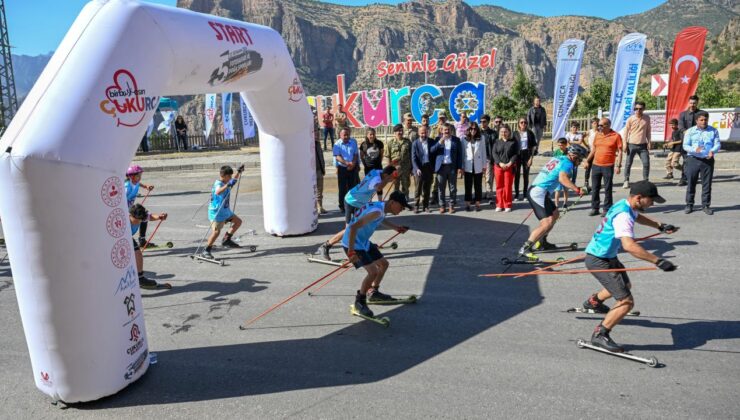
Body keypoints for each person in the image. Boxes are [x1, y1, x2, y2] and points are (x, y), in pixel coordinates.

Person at [582, 181, 678, 352]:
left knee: (625, 286)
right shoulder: (623, 216)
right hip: (599, 259)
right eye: (651, 200)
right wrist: (658, 261)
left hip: (606, 255)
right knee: (626, 301)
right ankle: (600, 334)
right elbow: (629, 246)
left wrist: (659, 225)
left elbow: (638, 216)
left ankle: (593, 302)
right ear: (639, 198)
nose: (653, 203)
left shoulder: (625, 205)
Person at [343, 191, 411, 317]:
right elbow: (353, 228)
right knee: (372, 272)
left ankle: (373, 292)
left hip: (362, 242)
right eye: (401, 206)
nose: (402, 210)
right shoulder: (377, 211)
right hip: (352, 243)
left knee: (384, 264)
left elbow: (380, 219)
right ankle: (360, 302)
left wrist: (396, 228)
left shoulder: (380, 207)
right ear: (392, 202)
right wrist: (351, 252)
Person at [317, 165, 398, 260]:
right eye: (390, 179)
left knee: (362, 225)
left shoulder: (378, 171)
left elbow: (386, 170)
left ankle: (361, 246)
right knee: (349, 230)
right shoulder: (376, 180)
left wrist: (393, 171)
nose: (391, 181)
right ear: (385, 175)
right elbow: (379, 188)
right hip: (352, 202)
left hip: (360, 203)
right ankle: (326, 246)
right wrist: (388, 178)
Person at [519, 144, 588, 255]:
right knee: (547, 223)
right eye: (580, 158)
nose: (580, 161)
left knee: (555, 214)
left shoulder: (559, 157)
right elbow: (562, 178)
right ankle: (526, 248)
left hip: (540, 191)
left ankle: (542, 242)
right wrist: (578, 190)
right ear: (573, 156)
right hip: (538, 192)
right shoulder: (568, 163)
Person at [202, 165, 245, 260]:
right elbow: (218, 192)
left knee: (238, 222)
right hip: (216, 212)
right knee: (216, 232)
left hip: (225, 211)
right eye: (229, 176)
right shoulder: (219, 184)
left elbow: (233, 180)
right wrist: (228, 184)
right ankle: (206, 250)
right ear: (224, 176)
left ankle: (227, 239)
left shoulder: (226, 182)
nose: (230, 178)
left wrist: (239, 172)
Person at [683, 111, 720, 215]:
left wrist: (712, 151)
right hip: (693, 159)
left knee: (707, 184)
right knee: (691, 183)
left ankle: (706, 205)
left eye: (705, 120)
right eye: (701, 120)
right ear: (696, 121)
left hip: (707, 160)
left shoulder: (713, 131)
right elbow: (685, 145)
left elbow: (717, 144)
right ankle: (689, 204)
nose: (704, 122)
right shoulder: (690, 131)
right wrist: (695, 149)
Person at [584, 118, 623, 217]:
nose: (599, 127)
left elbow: (620, 152)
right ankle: (595, 208)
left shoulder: (616, 136)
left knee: (607, 188)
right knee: (595, 187)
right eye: (599, 125)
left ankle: (607, 209)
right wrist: (587, 160)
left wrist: (618, 165)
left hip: (608, 166)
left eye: (601, 125)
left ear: (608, 125)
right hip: (596, 165)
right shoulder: (597, 135)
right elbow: (594, 150)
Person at [129, 204, 169, 289]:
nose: (139, 222)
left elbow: (150, 216)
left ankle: (140, 278)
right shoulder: (124, 220)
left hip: (128, 237)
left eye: (140, 220)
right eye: (137, 220)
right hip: (120, 237)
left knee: (138, 253)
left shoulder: (139, 217)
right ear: (130, 215)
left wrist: (159, 217)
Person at [431, 124, 463, 214]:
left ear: (451, 130)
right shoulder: (438, 139)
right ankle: (442, 206)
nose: (446, 131)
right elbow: (432, 151)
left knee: (453, 188)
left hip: (452, 167)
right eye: (445, 130)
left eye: (448, 129)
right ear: (442, 130)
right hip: (441, 167)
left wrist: (460, 167)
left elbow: (460, 155)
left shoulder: (456, 140)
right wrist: (439, 143)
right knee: (441, 188)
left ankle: (451, 205)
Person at [622, 101, 651, 188]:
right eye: (636, 109)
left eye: (640, 109)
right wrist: (624, 144)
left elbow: (648, 131)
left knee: (646, 163)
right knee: (628, 163)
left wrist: (649, 142)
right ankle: (626, 180)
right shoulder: (630, 119)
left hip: (643, 145)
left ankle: (645, 181)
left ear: (644, 109)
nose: (638, 110)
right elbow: (625, 132)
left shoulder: (647, 118)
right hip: (631, 144)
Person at [125, 165, 155, 248]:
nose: (140, 177)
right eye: (138, 176)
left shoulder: (135, 182)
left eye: (140, 175)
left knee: (143, 215)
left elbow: (139, 184)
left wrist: (146, 186)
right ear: (131, 176)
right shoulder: (127, 187)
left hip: (130, 207)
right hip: (125, 209)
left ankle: (142, 240)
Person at [677, 95, 704, 187]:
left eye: (694, 103)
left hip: (698, 142)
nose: (692, 105)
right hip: (686, 142)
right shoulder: (683, 114)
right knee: (686, 160)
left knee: (697, 160)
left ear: (697, 103)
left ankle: (694, 178)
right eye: (691, 103)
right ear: (688, 103)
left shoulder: (701, 113)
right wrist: (688, 134)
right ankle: (683, 178)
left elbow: (704, 125)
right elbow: (680, 127)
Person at [491, 124, 519, 212]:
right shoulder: (496, 141)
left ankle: (507, 204)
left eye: (505, 131)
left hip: (509, 167)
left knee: (507, 186)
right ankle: (499, 204)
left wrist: (510, 163)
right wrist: (500, 163)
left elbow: (515, 154)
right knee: (499, 186)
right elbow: (494, 153)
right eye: (502, 132)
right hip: (498, 166)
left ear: (509, 132)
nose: (504, 133)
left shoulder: (513, 142)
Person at [333, 127, 360, 214]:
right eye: (344, 135)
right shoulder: (337, 144)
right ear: (340, 135)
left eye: (347, 134)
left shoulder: (353, 142)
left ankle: (353, 206)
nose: (346, 136)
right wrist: (347, 163)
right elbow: (337, 156)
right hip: (342, 168)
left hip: (353, 167)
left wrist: (354, 163)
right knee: (342, 188)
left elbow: (356, 154)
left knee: (353, 188)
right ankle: (342, 206)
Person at [462, 122, 488, 211]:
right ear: (468, 130)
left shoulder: (481, 138)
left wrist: (484, 166)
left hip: (478, 164)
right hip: (468, 165)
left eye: (475, 129)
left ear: (477, 130)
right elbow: (462, 154)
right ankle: (468, 204)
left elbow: (484, 152)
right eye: (471, 129)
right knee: (468, 185)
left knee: (478, 185)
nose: (473, 131)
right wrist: (462, 166)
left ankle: (477, 204)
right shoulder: (464, 139)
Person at [412, 125, 436, 213]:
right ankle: (416, 206)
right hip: (419, 169)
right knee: (418, 188)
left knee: (427, 188)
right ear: (419, 133)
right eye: (422, 133)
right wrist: (417, 168)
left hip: (428, 168)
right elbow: (413, 158)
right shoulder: (415, 143)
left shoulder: (431, 142)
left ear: (428, 133)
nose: (423, 134)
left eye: (425, 132)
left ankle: (425, 206)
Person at [513, 117, 538, 201]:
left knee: (526, 175)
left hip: (527, 155)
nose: (523, 124)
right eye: (521, 122)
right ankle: (516, 194)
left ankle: (525, 194)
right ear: (518, 124)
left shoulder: (530, 133)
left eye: (525, 122)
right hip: (517, 155)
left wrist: (531, 158)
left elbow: (534, 146)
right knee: (516, 175)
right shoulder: (515, 133)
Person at [386, 124, 413, 200]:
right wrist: (390, 169)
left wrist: (411, 168)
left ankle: (405, 199)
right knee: (396, 185)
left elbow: (411, 155)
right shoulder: (390, 143)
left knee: (406, 185)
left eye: (401, 130)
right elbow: (388, 156)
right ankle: (396, 200)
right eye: (398, 131)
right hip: (395, 169)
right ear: (394, 132)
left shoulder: (408, 142)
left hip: (406, 168)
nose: (400, 132)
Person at [480, 114, 497, 200]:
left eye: (484, 122)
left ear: (488, 122)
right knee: (481, 177)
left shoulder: (493, 133)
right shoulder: (478, 133)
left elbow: (495, 146)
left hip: (488, 157)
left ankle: (489, 193)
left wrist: (493, 158)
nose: (482, 123)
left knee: (488, 177)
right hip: (479, 158)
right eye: (481, 122)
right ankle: (484, 192)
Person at [314, 116, 327, 214]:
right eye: (315, 132)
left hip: (319, 170)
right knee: (313, 191)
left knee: (320, 190)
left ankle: (320, 206)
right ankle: (314, 208)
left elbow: (321, 157)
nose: (317, 134)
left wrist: (323, 168)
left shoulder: (318, 144)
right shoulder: (308, 144)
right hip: (311, 171)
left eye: (318, 131)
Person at [552, 138, 569, 208]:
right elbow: (553, 162)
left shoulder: (569, 151)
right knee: (557, 190)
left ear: (565, 145)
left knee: (565, 189)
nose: (560, 147)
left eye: (561, 145)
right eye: (559, 145)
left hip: (566, 173)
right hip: (558, 173)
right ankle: (556, 204)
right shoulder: (556, 152)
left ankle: (565, 203)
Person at [584, 117, 600, 189]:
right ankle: (586, 182)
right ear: (591, 124)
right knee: (588, 167)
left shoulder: (600, 131)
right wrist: (586, 145)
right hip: (590, 151)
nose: (596, 125)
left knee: (596, 168)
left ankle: (596, 183)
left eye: (597, 123)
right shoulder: (589, 131)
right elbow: (582, 137)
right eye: (594, 123)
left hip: (598, 151)